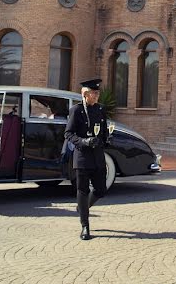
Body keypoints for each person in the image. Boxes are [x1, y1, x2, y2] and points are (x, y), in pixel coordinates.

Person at [64, 77, 110, 241]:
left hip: (97, 156)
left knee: (100, 190)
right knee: (82, 191)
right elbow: (68, 134)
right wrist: (84, 141)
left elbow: (103, 129)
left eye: (98, 92)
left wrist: (105, 139)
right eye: (94, 93)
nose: (97, 95)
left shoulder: (100, 109)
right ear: (85, 94)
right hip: (83, 156)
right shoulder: (76, 110)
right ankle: (85, 226)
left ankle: (82, 208)